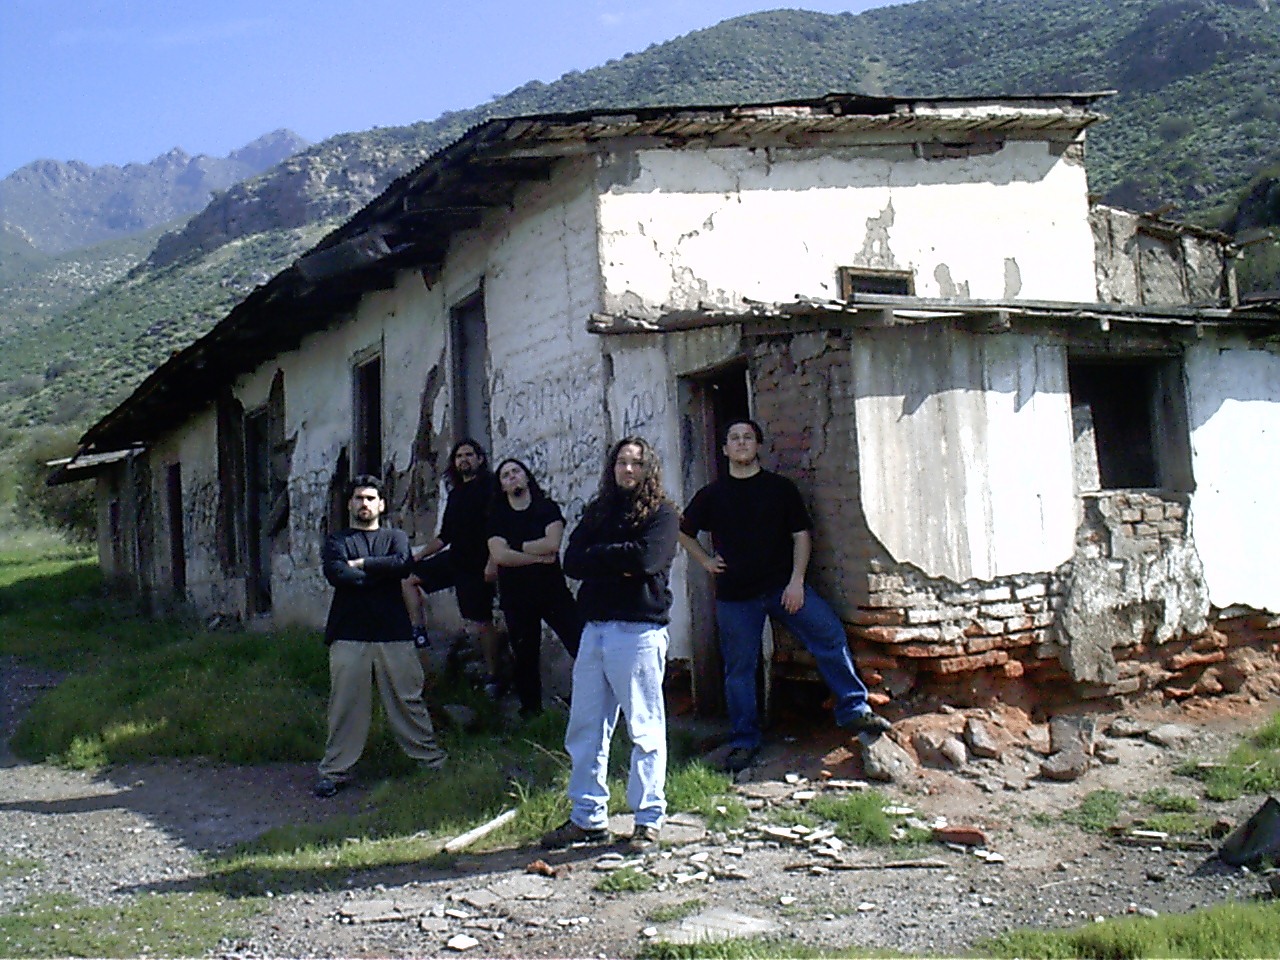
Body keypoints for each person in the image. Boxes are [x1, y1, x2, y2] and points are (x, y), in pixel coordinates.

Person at [679, 418, 891, 774]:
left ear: (758, 446)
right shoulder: (712, 495)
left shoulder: (780, 489)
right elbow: (683, 531)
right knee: (739, 670)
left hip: (783, 587)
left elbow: (801, 536)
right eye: (735, 438)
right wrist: (705, 561)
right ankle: (744, 740)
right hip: (736, 596)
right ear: (725, 449)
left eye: (748, 437)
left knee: (828, 634)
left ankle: (854, 710)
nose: (741, 442)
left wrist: (796, 581)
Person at [541, 437, 679, 854]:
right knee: (585, 729)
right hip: (595, 629)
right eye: (621, 462)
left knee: (644, 729)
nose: (628, 470)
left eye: (636, 463)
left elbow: (646, 560)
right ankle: (587, 818)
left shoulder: (663, 514)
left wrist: (601, 558)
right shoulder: (598, 511)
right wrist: (617, 560)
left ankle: (648, 819)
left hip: (638, 631)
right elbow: (571, 561)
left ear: (648, 469)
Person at [315, 475, 446, 798]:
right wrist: (380, 573)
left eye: (371, 498)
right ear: (350, 504)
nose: (365, 503)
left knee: (408, 699)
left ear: (382, 505)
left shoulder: (395, 537)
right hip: (349, 633)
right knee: (346, 704)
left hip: (394, 632)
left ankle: (431, 761)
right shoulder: (337, 541)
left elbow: (403, 565)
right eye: (359, 498)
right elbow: (338, 574)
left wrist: (362, 564)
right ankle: (334, 771)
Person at [403, 439, 502, 695]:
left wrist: (492, 562)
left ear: (480, 459)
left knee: (480, 621)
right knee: (409, 578)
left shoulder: (491, 487)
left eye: (469, 455)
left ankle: (493, 675)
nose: (463, 460)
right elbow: (445, 536)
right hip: (455, 558)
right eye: (459, 456)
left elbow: (499, 528)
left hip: (478, 564)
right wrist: (419, 556)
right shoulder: (456, 493)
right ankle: (419, 632)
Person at [487, 457, 582, 717]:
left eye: (516, 471)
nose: (512, 477)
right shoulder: (497, 516)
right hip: (516, 597)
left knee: (580, 643)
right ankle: (531, 713)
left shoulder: (546, 508)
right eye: (506, 475)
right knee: (525, 655)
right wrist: (537, 557)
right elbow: (500, 556)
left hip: (552, 592)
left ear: (526, 476)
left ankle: (593, 700)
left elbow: (552, 544)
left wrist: (516, 546)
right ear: (502, 486)